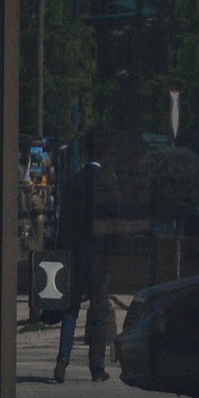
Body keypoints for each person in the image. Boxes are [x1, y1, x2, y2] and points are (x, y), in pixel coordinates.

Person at [54, 135, 117, 384]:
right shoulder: (109, 183)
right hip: (99, 257)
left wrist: (61, 251)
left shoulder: (73, 182)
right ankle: (97, 367)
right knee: (99, 310)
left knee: (70, 309)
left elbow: (64, 222)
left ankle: (63, 358)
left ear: (87, 153)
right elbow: (114, 222)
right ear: (103, 155)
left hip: (75, 255)